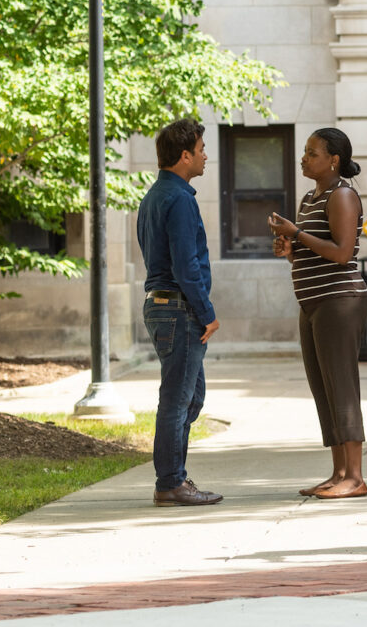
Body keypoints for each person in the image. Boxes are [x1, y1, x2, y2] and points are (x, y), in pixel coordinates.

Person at [269, 128, 367, 498]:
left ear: (334, 160)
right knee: (323, 388)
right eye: (305, 152)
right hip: (312, 302)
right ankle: (338, 471)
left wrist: (296, 233)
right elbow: (311, 251)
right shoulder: (311, 198)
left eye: (312, 153)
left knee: (341, 386)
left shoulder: (341, 194)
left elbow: (343, 253)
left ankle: (356, 478)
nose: (304, 158)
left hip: (338, 302)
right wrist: (289, 247)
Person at [137, 118, 223, 506]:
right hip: (178, 308)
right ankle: (170, 483)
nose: (206, 156)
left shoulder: (155, 195)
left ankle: (174, 477)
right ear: (185, 155)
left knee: (191, 397)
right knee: (177, 399)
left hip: (162, 306)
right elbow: (186, 265)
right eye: (202, 149)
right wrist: (207, 313)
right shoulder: (181, 199)